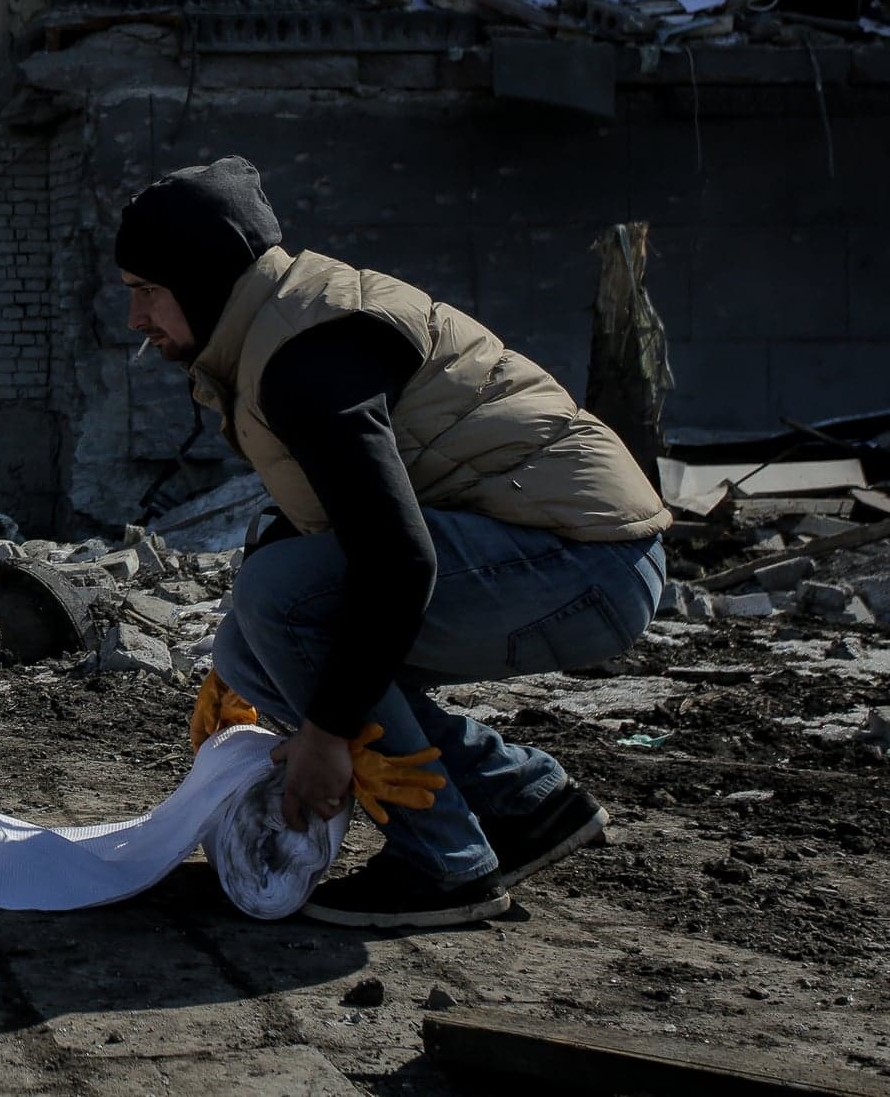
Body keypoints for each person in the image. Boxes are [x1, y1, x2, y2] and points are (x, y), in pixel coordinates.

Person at [118, 156, 668, 929]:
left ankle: (443, 865)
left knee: (277, 607)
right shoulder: (273, 332)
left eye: (148, 291)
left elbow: (397, 560)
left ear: (204, 280)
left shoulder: (303, 357)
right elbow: (331, 517)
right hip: (553, 551)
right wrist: (247, 666)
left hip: (586, 562)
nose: (138, 319)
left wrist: (327, 731)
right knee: (251, 639)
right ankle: (523, 803)